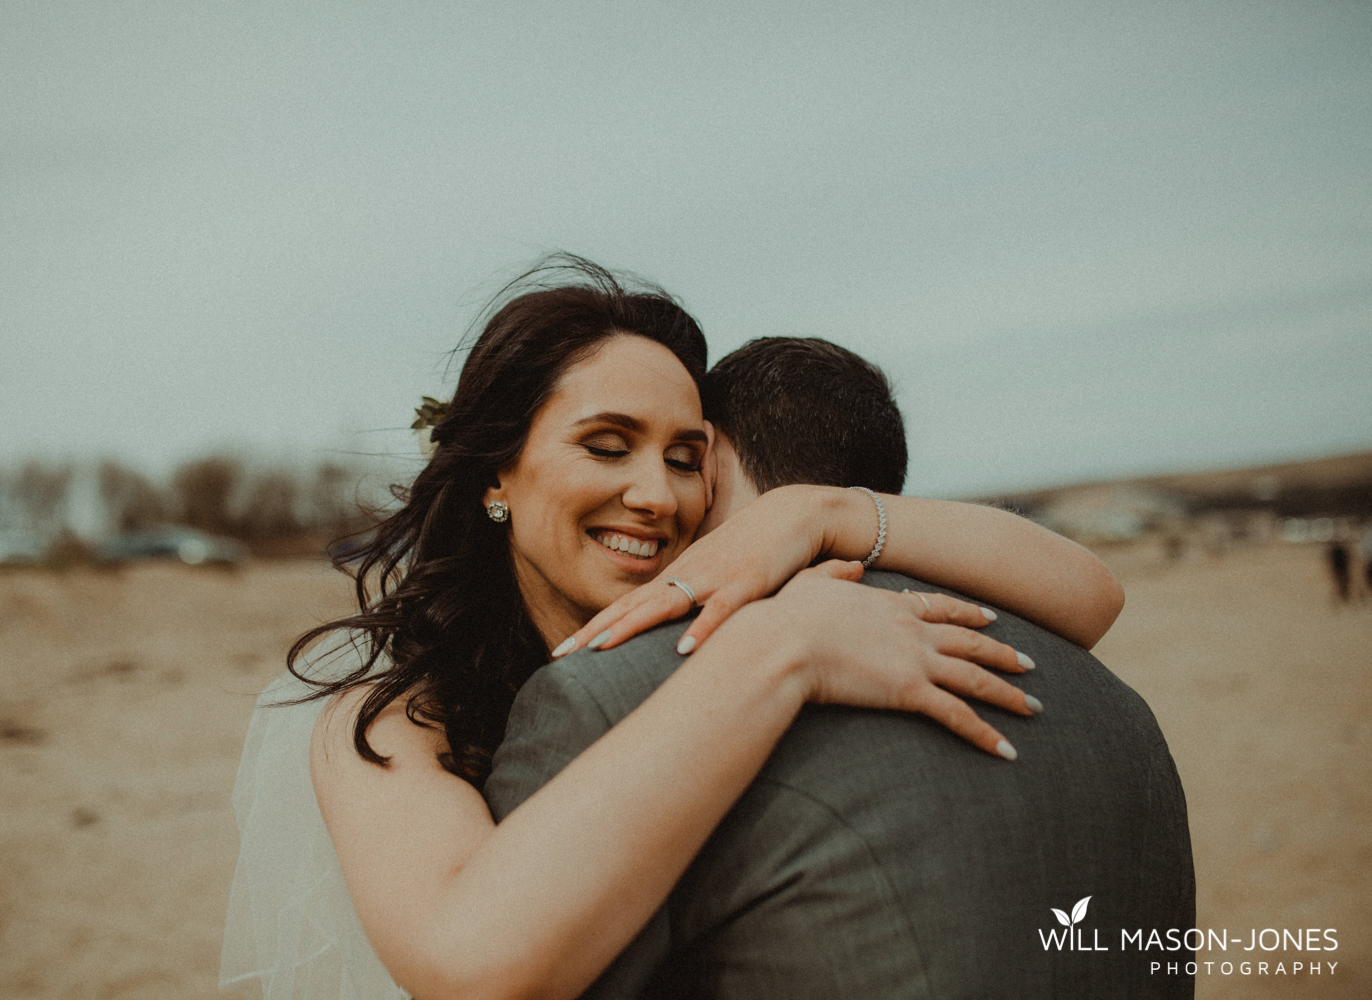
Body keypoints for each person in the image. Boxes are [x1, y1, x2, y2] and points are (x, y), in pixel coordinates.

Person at [220, 259, 1124, 1000]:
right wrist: (787, 651)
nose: (657, 496)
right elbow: (471, 966)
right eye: (606, 446)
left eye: (685, 458)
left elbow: (1089, 597)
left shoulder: (720, 610)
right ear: (499, 471)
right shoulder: (388, 712)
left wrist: (824, 513)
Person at [486, 336, 1194, 999]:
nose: (658, 497)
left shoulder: (613, 697)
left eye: (682, 458)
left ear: (715, 458)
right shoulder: (1112, 707)